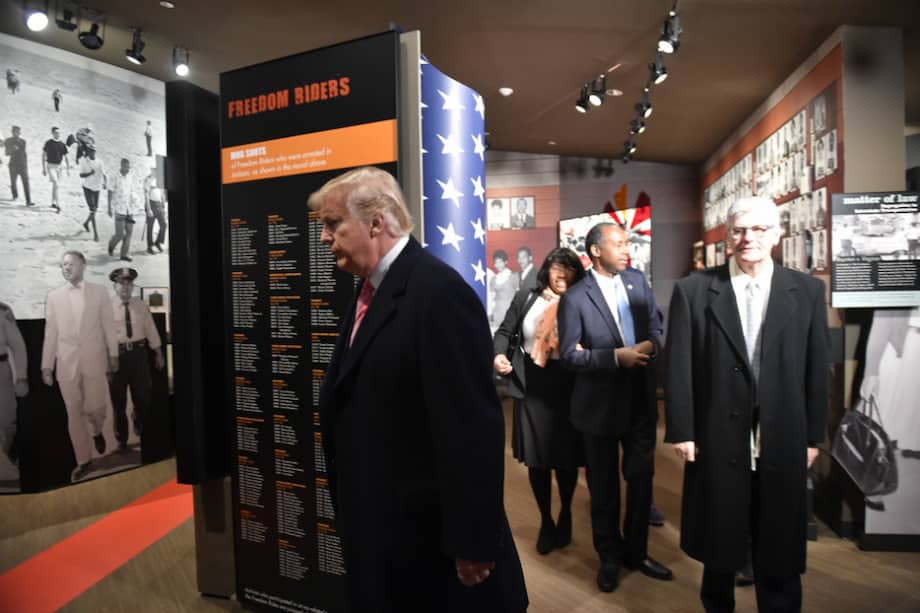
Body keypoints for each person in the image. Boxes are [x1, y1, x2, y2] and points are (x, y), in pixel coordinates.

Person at [309, 166, 527, 612]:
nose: (324, 238)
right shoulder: (370, 288)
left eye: (333, 224)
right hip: (385, 529)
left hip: (428, 544)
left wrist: (474, 540)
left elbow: (471, 427)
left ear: (376, 221)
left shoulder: (438, 293)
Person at [664, 196, 828, 613]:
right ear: (726, 236)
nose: (747, 238)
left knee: (780, 544)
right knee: (721, 538)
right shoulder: (694, 290)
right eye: (737, 230)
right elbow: (679, 365)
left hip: (783, 434)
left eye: (757, 230)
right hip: (718, 433)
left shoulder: (807, 290)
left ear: (775, 235)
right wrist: (683, 429)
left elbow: (816, 368)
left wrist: (813, 436)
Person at [558, 222, 672, 593]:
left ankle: (636, 554)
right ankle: (609, 558)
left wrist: (651, 348)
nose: (628, 250)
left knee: (641, 486)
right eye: (619, 244)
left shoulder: (638, 282)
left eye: (628, 243)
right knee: (604, 490)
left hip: (640, 404)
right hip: (598, 410)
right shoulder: (575, 297)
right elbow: (569, 357)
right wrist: (614, 358)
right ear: (594, 251)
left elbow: (656, 330)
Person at [493, 248, 585, 555]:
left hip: (572, 383)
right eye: (558, 268)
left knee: (568, 457)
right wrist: (499, 355)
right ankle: (546, 519)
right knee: (538, 459)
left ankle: (567, 511)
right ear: (546, 270)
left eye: (569, 269)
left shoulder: (583, 298)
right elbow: (505, 331)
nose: (563, 275)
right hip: (532, 384)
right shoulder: (527, 297)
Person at [41, 251, 119, 483]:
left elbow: (108, 326)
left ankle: (96, 430)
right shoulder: (54, 297)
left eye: (70, 264)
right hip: (66, 365)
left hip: (94, 360)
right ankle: (83, 461)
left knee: (96, 408)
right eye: (63, 265)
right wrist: (47, 365)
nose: (66, 268)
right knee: (73, 413)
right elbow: (51, 333)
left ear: (83, 265)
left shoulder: (99, 292)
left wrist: (113, 354)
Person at [108, 268, 164, 451]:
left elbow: (150, 329)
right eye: (121, 284)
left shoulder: (140, 305)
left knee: (143, 398)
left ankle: (138, 417)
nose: (125, 287)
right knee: (118, 402)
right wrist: (110, 358)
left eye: (128, 283)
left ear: (132, 286)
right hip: (118, 358)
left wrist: (158, 352)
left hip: (139, 357)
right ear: (114, 286)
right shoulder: (106, 308)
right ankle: (122, 440)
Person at [0, 300, 28, 475]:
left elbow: (17, 345)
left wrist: (22, 377)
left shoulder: (2, 311)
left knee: (8, 420)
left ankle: (8, 448)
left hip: (1, 372)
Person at [108, 158, 142, 262]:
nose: (128, 169)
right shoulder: (114, 177)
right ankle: (111, 245)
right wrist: (109, 207)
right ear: (121, 166)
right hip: (119, 209)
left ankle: (124, 254)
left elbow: (131, 191)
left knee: (129, 232)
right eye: (126, 167)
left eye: (129, 167)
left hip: (129, 209)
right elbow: (110, 192)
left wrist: (137, 203)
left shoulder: (130, 177)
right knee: (120, 234)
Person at [488, 250, 519, 335]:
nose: (498, 265)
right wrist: (490, 314)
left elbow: (519, 298)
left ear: (506, 262)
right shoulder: (493, 280)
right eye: (496, 263)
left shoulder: (514, 276)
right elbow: (491, 299)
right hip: (497, 316)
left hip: (510, 315)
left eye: (500, 262)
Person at [78, 144, 105, 241]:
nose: (92, 152)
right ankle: (96, 234)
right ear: (88, 152)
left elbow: (103, 173)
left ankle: (86, 223)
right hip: (87, 188)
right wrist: (90, 173)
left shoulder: (99, 162)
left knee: (94, 211)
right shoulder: (83, 161)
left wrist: (105, 182)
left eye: (93, 151)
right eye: (90, 151)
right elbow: (81, 175)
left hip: (97, 188)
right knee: (93, 210)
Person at [42, 127, 70, 212]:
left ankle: (53, 202)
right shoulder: (48, 143)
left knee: (56, 186)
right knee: (56, 184)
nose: (57, 134)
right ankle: (58, 205)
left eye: (58, 133)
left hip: (60, 167)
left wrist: (68, 169)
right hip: (50, 166)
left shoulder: (62, 144)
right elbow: (43, 155)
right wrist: (43, 168)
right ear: (52, 133)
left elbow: (66, 157)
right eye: (55, 132)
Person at [4, 126, 33, 206]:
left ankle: (28, 201)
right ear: (12, 132)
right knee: (13, 182)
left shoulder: (23, 141)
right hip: (13, 165)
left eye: (19, 132)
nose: (17, 133)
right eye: (16, 131)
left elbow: (24, 154)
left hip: (23, 165)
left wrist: (26, 165)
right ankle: (15, 195)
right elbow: (6, 153)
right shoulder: (8, 141)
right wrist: (12, 149)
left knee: (26, 182)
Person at [143, 165, 167, 254]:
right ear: (151, 170)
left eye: (157, 169)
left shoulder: (160, 179)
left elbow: (162, 193)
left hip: (159, 204)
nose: (156, 171)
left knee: (164, 224)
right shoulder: (147, 180)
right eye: (154, 169)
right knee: (150, 227)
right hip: (151, 204)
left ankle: (158, 242)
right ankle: (150, 246)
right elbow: (146, 195)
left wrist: (163, 206)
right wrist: (148, 209)